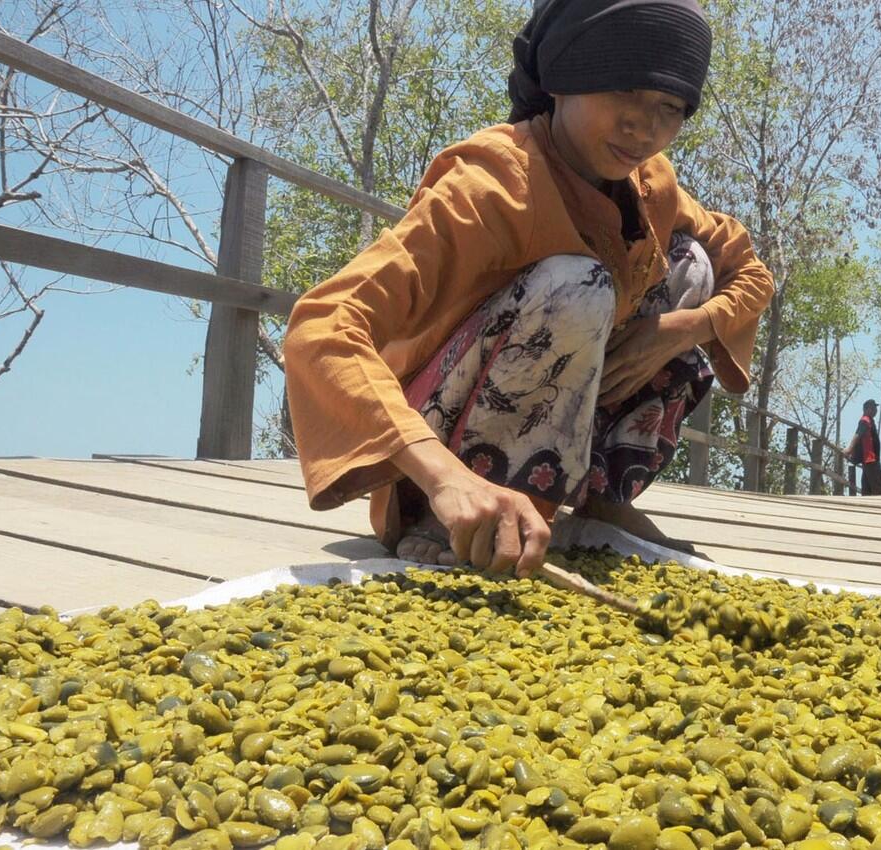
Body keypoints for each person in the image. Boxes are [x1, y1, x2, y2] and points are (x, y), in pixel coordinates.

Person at [283, 0, 774, 579]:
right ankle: (456, 514)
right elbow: (322, 326)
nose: (643, 127)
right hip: (447, 459)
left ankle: (602, 500)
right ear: (563, 77)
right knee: (580, 285)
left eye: (668, 107)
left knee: (692, 265)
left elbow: (751, 271)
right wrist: (445, 479)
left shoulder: (651, 186)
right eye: (620, 91)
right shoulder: (490, 188)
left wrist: (675, 332)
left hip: (563, 421)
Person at [845, 399, 881, 496]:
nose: (876, 410)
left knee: (867, 487)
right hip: (870, 459)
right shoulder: (865, 421)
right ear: (867, 409)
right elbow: (858, 435)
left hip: (869, 459)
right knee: (878, 486)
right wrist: (849, 449)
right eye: (873, 408)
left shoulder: (870, 421)